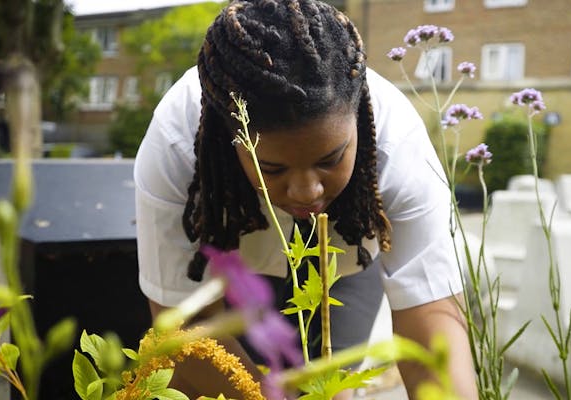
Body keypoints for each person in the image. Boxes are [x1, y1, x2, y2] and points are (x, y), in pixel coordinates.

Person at [133, 0, 477, 398]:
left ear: (357, 121)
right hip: (234, 273)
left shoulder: (397, 143)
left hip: (344, 269)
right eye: (273, 168)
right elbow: (185, 328)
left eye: (330, 160)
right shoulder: (176, 144)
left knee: (333, 391)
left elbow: (431, 323)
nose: (307, 192)